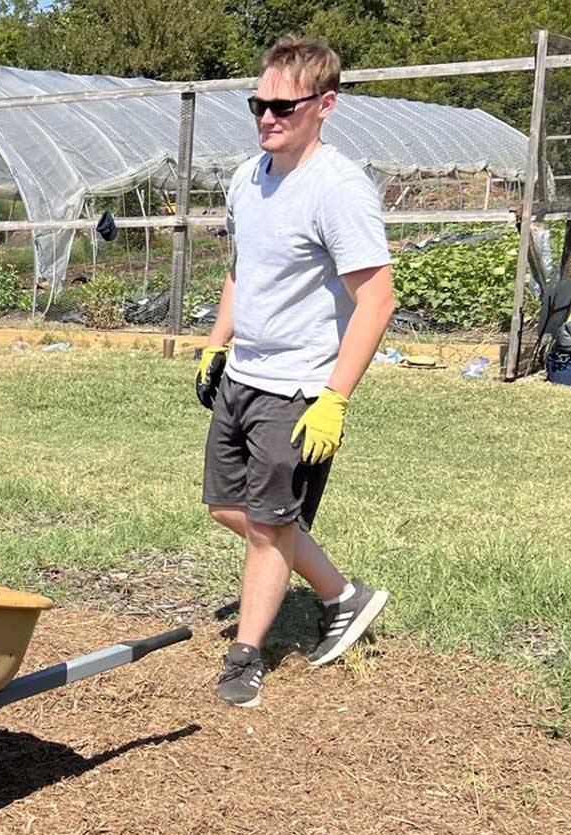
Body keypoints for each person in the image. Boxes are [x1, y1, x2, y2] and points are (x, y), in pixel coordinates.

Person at [194, 36, 394, 708]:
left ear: (325, 104)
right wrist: (216, 344)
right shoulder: (248, 178)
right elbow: (240, 269)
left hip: (299, 388)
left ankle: (246, 656)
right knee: (229, 506)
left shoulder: (337, 189)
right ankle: (342, 594)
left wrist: (334, 398)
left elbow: (377, 298)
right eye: (259, 103)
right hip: (244, 375)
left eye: (283, 105)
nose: (267, 116)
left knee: (268, 527)